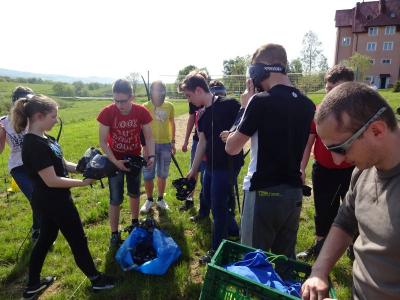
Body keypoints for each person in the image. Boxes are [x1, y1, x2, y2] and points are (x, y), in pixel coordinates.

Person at [301, 82, 400, 300]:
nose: (336, 160)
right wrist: (319, 271)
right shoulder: (362, 172)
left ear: (377, 130)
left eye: (340, 148)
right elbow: (344, 221)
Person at [14, 95, 115, 299]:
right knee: (78, 239)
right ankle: (96, 280)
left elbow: (61, 162)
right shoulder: (33, 145)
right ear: (39, 116)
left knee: (45, 239)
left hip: (50, 200)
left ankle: (33, 285)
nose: (56, 120)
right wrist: (83, 183)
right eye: (53, 116)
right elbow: (51, 180)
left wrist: (82, 168)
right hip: (54, 202)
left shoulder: (45, 138)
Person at [226, 43, 315, 259]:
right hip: (293, 192)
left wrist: (243, 107)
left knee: (253, 261)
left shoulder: (259, 101)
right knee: (284, 261)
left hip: (262, 190)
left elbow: (231, 147)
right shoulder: (307, 104)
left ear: (262, 69)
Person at [181, 72, 243, 263]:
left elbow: (245, 120)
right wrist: (193, 169)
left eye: (189, 96)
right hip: (211, 165)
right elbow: (202, 143)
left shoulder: (230, 104)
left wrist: (233, 132)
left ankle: (217, 252)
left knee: (217, 207)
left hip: (228, 165)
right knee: (208, 198)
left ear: (199, 90)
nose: (189, 100)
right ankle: (234, 230)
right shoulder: (203, 114)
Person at [297, 65, 355, 260]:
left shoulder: (358, 113)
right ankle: (320, 245)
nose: (331, 94)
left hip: (352, 172)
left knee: (355, 211)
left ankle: (356, 248)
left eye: (337, 89)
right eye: (329, 88)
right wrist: (301, 168)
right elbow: (309, 141)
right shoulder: (319, 111)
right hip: (323, 171)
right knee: (323, 211)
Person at [97, 79, 154, 248]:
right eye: (116, 100)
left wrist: (151, 156)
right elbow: (102, 142)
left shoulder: (141, 112)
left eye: (123, 101)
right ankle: (114, 233)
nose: (119, 105)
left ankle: (135, 223)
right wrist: (115, 162)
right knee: (115, 197)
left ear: (132, 97)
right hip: (115, 159)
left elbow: (149, 137)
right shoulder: (107, 112)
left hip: (134, 158)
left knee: (135, 193)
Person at [0, 86, 42, 242]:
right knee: (35, 197)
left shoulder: (35, 118)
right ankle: (38, 229)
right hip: (18, 167)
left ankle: (41, 227)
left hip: (37, 163)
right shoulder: (4, 122)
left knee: (41, 197)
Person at [140, 80, 175, 213]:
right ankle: (149, 200)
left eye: (161, 89)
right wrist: (145, 146)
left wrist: (172, 141)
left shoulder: (170, 106)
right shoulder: (145, 106)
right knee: (148, 174)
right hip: (150, 146)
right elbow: (141, 128)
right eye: (155, 89)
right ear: (151, 91)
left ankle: (160, 199)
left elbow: (172, 123)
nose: (158, 92)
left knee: (162, 174)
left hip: (165, 145)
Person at [180, 71, 209, 217]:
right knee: (194, 170)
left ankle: (204, 206)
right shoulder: (194, 102)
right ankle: (189, 198)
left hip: (209, 143)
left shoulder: (211, 100)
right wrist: (186, 140)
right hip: (198, 140)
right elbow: (192, 119)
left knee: (206, 175)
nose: (189, 99)